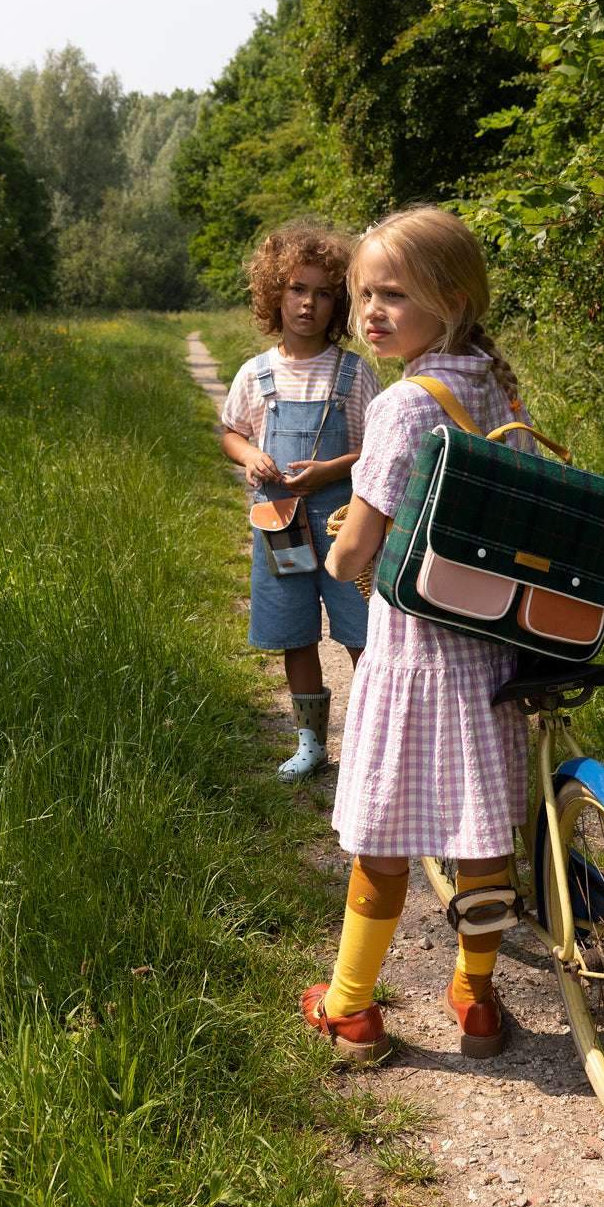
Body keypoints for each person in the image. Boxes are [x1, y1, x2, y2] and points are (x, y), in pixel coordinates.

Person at [300, 205, 534, 1062]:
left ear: (454, 296)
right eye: (363, 294)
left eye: (393, 294)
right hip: (493, 641)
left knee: (382, 836)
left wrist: (340, 559)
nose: (370, 312)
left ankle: (352, 1005)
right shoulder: (489, 382)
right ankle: (476, 998)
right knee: (481, 835)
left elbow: (359, 543)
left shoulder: (403, 404)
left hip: (420, 654)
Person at [221, 223, 382, 782]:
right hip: (280, 524)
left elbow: (377, 448)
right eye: (296, 289)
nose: (308, 303)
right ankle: (313, 744)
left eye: (322, 293)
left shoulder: (354, 372)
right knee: (294, 632)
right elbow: (231, 431)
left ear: (337, 302)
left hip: (344, 524)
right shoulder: (256, 373)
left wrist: (331, 470)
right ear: (275, 294)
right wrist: (248, 456)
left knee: (362, 631)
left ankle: (372, 739)